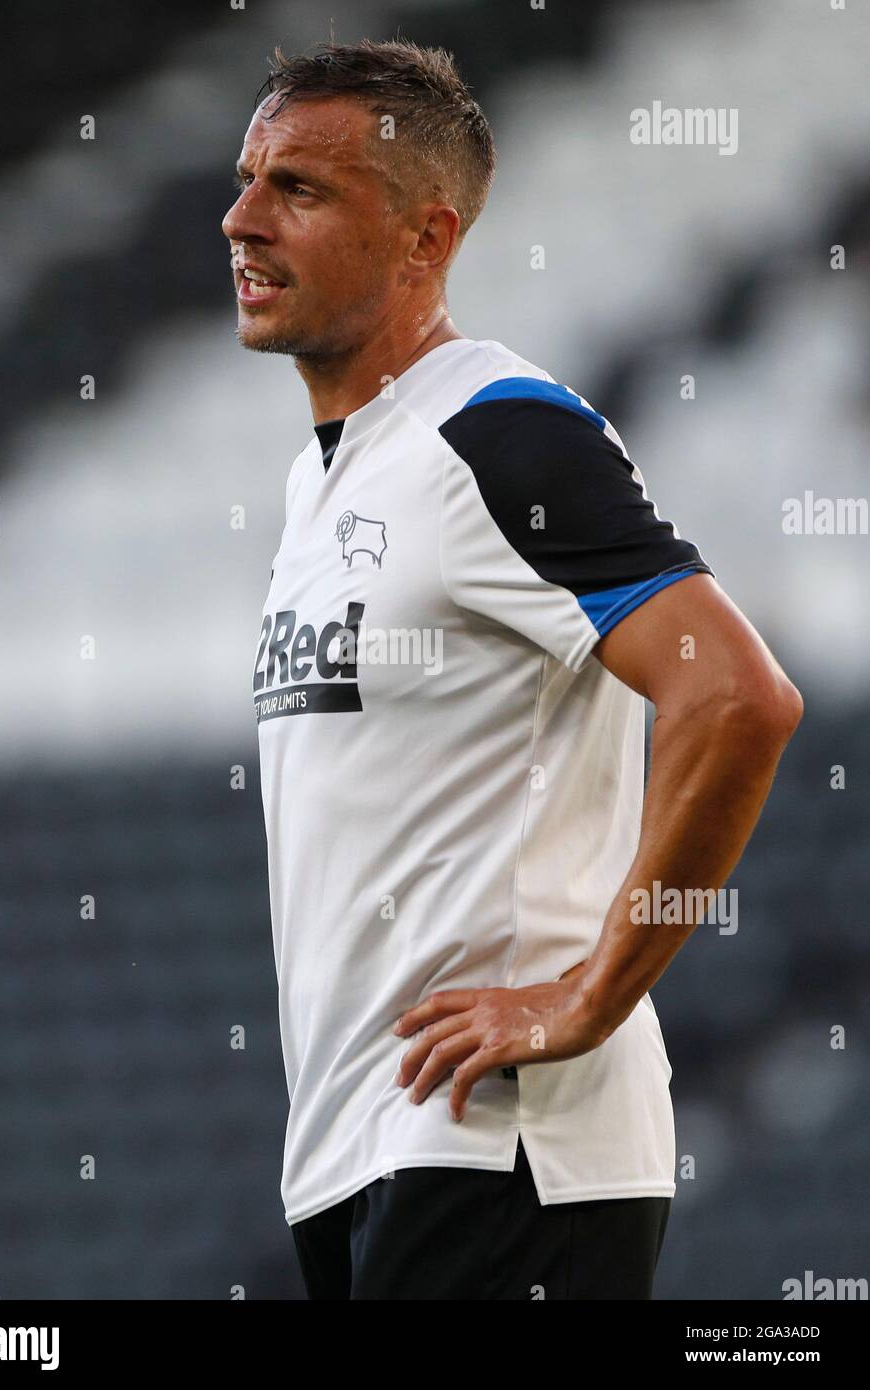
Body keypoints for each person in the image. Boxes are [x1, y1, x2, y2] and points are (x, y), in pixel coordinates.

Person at [223, 38, 803, 1300]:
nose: (241, 218)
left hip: (507, 1150)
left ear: (424, 237)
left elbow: (737, 694)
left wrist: (588, 995)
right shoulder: (321, 479)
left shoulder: (498, 431)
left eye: (298, 191)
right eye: (248, 177)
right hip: (358, 1149)